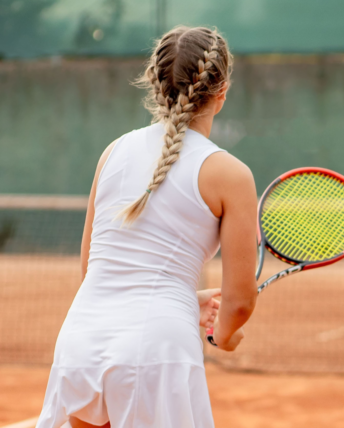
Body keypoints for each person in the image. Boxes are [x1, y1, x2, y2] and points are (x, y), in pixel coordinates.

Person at [36, 26, 259, 428]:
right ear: (222, 90)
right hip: (156, 353)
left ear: (154, 86)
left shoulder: (113, 152)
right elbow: (239, 303)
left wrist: (183, 300)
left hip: (79, 343)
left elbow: (94, 270)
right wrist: (224, 336)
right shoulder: (231, 174)